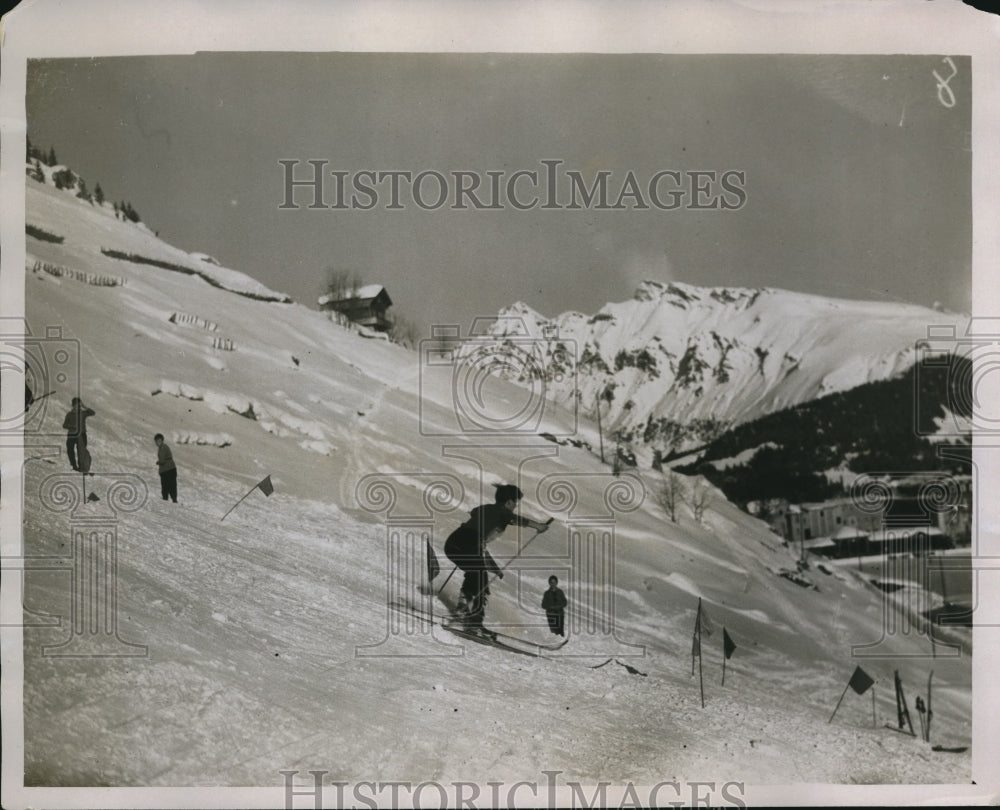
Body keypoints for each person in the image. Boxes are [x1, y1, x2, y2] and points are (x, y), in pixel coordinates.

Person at [444, 484, 551, 633]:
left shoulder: (487, 509)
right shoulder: (502, 512)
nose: (515, 506)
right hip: (468, 542)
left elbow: (478, 531)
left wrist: (493, 567)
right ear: (508, 502)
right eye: (515, 503)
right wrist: (538, 526)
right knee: (479, 577)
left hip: (453, 543)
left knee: (477, 574)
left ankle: (465, 606)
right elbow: (514, 519)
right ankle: (473, 620)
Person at [62, 397, 95, 471]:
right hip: (72, 434)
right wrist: (71, 426)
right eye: (76, 405)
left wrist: (84, 406)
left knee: (81, 451)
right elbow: (64, 425)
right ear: (73, 405)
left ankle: (82, 467)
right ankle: (73, 465)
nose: (78, 406)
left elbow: (92, 413)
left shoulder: (82, 413)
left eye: (79, 405)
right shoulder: (69, 414)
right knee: (70, 450)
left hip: (81, 434)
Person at [154, 433, 178, 503]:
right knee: (170, 485)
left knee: (168, 485)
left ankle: (169, 499)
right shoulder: (162, 447)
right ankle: (171, 499)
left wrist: (158, 462)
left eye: (158, 441)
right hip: (168, 469)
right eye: (156, 441)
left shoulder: (163, 448)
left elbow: (162, 460)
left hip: (168, 470)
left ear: (161, 440)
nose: (157, 443)